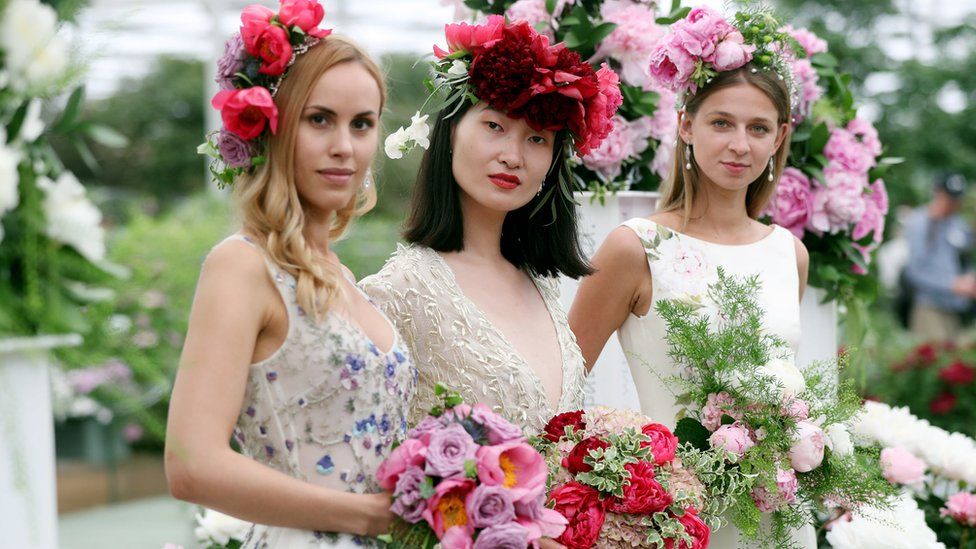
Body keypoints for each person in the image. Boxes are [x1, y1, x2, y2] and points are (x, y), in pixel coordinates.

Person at [164, 4, 414, 547]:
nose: (344, 146)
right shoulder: (243, 265)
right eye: (319, 119)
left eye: (362, 124)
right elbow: (190, 465)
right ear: (274, 127)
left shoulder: (347, 278)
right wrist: (363, 514)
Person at [568, 8, 813, 547]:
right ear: (686, 124)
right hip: (677, 519)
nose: (739, 144)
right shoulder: (636, 247)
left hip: (777, 520)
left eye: (758, 128)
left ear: (779, 139)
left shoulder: (788, 253)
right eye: (721, 122)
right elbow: (562, 381)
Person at [361, 15, 621, 435]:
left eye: (537, 138)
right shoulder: (398, 291)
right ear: (450, 135)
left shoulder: (540, 283)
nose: (513, 156)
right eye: (495, 126)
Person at [903, 172, 974, 341]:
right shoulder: (920, 223)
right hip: (930, 307)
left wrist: (969, 279)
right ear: (938, 194)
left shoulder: (958, 223)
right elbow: (914, 272)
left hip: (956, 308)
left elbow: (965, 258)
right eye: (950, 198)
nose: (954, 204)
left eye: (957, 199)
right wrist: (951, 285)